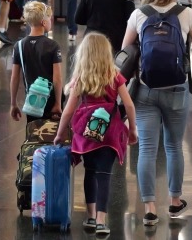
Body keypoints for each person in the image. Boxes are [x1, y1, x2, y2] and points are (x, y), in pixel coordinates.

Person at [121, 0, 192, 226]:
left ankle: (150, 208)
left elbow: (125, 50)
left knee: (147, 150)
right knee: (174, 147)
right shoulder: (186, 14)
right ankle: (175, 203)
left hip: (145, 90)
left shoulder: (139, 14)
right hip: (176, 89)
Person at [54, 32, 137, 236]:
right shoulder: (115, 76)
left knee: (89, 172)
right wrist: (133, 130)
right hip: (109, 130)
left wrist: (59, 133)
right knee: (104, 175)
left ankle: (90, 216)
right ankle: (101, 220)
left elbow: (69, 110)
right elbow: (128, 104)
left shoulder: (81, 78)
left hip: (85, 131)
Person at [10, 1, 63, 122]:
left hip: (32, 101)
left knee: (34, 135)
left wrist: (13, 103)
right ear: (44, 22)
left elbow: (14, 77)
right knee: (52, 136)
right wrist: (58, 103)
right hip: (50, 99)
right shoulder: (53, 46)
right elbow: (57, 79)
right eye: (49, 18)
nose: (51, 21)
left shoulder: (19, 46)